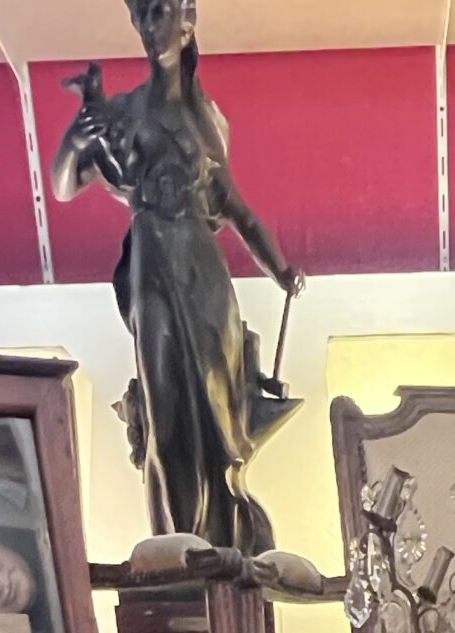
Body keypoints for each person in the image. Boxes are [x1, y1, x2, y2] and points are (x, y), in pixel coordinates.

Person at [51, 0, 302, 553]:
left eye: (161, 11)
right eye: (141, 14)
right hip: (151, 266)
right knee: (164, 409)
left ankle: (224, 543)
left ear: (188, 22)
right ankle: (178, 547)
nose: (149, 26)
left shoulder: (206, 119)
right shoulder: (122, 111)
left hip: (202, 272)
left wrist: (281, 270)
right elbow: (64, 185)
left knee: (217, 411)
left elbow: (239, 211)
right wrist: (75, 136)